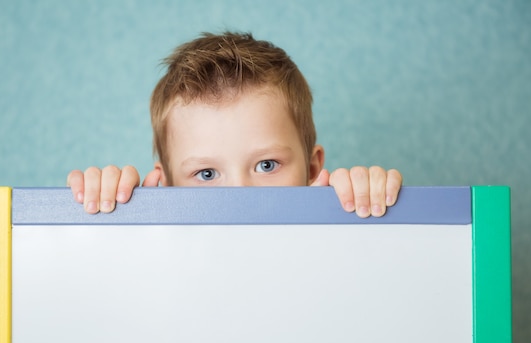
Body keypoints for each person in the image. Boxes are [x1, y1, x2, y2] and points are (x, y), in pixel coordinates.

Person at [68, 31, 402, 218]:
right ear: (166, 185)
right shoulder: (158, 259)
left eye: (266, 165)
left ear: (313, 168)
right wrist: (110, 212)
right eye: (207, 174)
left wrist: (371, 205)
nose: (241, 195)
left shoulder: (335, 246)